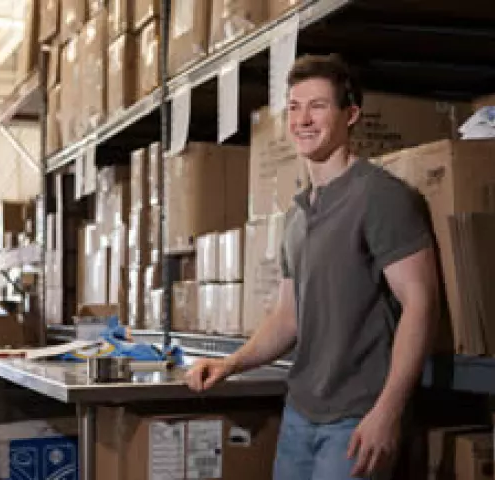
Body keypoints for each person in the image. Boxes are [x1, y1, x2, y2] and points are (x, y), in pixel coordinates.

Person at [185, 54, 439, 479]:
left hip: (355, 420)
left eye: (318, 106)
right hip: (300, 416)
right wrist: (231, 364)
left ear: (350, 114)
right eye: (295, 106)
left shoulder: (380, 197)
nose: (303, 119)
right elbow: (288, 318)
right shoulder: (298, 214)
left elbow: (421, 304)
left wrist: (387, 412)